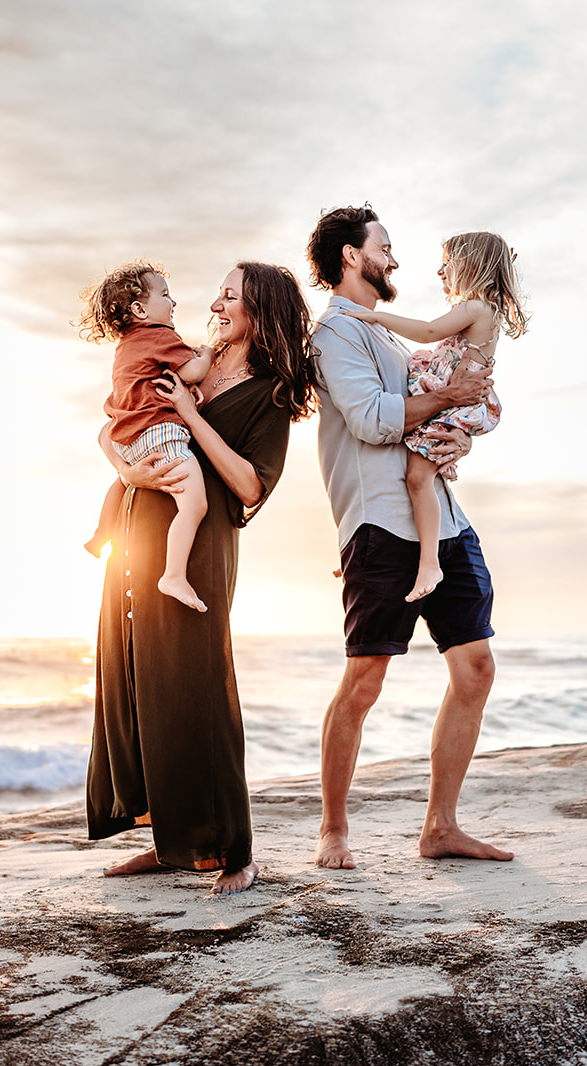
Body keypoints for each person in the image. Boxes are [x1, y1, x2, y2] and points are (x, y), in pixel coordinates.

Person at [85, 261, 317, 895]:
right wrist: (128, 471)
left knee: (197, 688)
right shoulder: (182, 356)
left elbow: (248, 485)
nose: (215, 302)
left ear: (259, 310)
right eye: (218, 291)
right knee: (141, 684)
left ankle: (234, 852)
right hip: (137, 534)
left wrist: (192, 416)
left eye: (231, 295)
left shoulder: (269, 391)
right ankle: (170, 843)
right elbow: (114, 425)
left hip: (199, 547)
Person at [306, 205, 514, 869]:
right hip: (381, 524)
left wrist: (458, 437)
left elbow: (435, 412)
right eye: (385, 247)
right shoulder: (336, 332)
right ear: (350, 255)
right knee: (364, 682)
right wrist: (444, 400)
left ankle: (441, 826)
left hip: (444, 519)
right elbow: (370, 419)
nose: (395, 259)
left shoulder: (396, 341)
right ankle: (333, 829)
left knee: (475, 668)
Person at [344, 231, 528, 601]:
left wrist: (376, 318)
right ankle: (390, 550)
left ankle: (429, 561)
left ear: (471, 266)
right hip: (455, 403)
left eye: (448, 264)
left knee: (417, 478)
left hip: (455, 405)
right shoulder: (483, 311)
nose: (441, 272)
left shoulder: (476, 309)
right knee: (417, 477)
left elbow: (428, 332)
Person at [80, 262, 214, 612]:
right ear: (140, 309)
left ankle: (100, 535)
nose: (174, 303)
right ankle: (173, 575)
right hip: (159, 434)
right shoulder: (159, 336)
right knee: (194, 505)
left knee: (124, 480)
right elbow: (195, 371)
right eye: (166, 295)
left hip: (127, 436)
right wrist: (207, 353)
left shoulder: (125, 347)